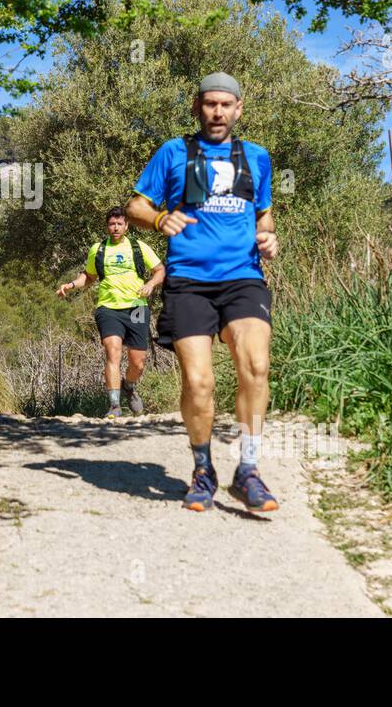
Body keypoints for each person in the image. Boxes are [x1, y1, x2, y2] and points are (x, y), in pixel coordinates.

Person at [124, 72, 280, 512]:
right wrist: (158, 221)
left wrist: (268, 237)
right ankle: (202, 469)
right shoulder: (174, 152)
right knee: (198, 381)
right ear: (197, 107)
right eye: (209, 104)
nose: (217, 112)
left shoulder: (256, 157)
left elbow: (263, 217)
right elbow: (136, 204)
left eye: (225, 105)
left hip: (243, 278)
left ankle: (248, 471)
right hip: (189, 281)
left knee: (256, 364)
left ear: (238, 109)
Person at [56, 206, 165, 418]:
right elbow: (88, 276)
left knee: (138, 361)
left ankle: (129, 386)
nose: (115, 228)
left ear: (126, 226)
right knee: (112, 351)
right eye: (111, 224)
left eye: (119, 224)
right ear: (107, 226)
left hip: (137, 306)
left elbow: (160, 270)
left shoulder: (138, 247)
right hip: (108, 308)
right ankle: (114, 405)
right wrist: (71, 285)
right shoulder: (98, 249)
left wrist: (151, 285)